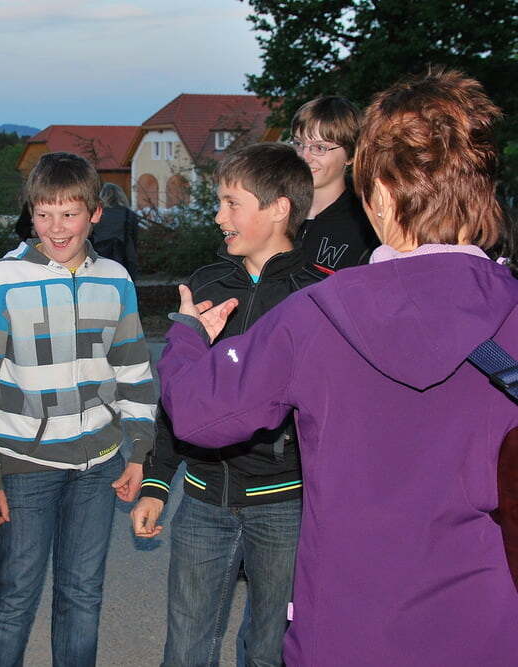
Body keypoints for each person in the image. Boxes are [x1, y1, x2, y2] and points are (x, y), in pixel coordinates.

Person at [157, 68, 518, 666]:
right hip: (487, 627)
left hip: (348, 625)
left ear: (379, 198)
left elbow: (199, 413)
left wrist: (189, 337)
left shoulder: (318, 314)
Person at [0, 151, 156, 666]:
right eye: (44, 213)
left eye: (69, 213)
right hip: (23, 464)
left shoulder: (115, 279)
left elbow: (133, 370)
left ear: (95, 213)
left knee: (82, 593)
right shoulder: (1, 279)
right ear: (31, 213)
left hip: (99, 465)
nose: (56, 227)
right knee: (14, 593)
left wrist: (138, 452)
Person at [132, 142, 320, 666]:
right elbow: (176, 396)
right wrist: (156, 482)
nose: (218, 217)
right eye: (219, 202)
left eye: (232, 203)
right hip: (202, 498)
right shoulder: (205, 286)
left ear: (279, 208)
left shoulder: (318, 297)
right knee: (186, 647)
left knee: (268, 647)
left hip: (284, 503)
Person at [289, 96, 378, 273]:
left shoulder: (366, 228)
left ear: (351, 155)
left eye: (319, 148)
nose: (304, 156)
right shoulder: (274, 210)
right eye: (299, 144)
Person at [92, 182, 141, 279]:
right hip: (124, 261)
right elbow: (134, 240)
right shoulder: (129, 215)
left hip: (98, 260)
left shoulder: (95, 215)